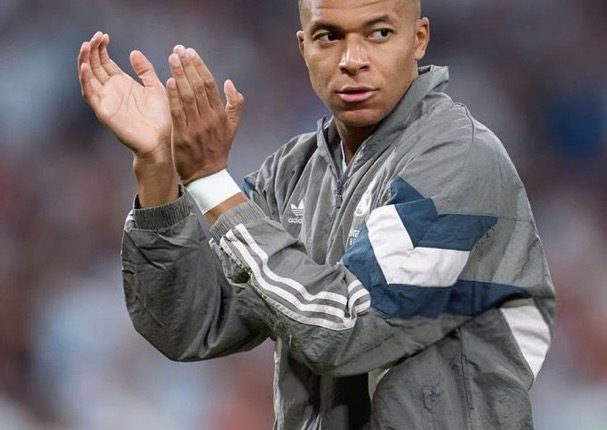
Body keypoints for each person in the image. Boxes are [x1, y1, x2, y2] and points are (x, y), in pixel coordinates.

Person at [77, 0, 555, 428]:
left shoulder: (458, 158)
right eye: (329, 36)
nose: (352, 60)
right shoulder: (293, 171)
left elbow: (349, 330)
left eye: (379, 33)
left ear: (419, 38)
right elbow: (191, 324)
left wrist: (210, 181)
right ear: (303, 47)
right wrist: (157, 170)